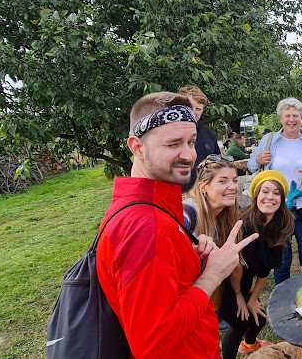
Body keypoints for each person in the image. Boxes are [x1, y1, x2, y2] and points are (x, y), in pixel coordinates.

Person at [96, 92, 258, 358]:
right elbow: (153, 344)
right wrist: (212, 275)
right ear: (137, 147)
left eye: (191, 142)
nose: (189, 155)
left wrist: (191, 260)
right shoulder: (145, 227)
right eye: (173, 144)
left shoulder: (155, 209)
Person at [248, 98, 302, 284]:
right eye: (287, 115)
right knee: (281, 261)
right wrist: (257, 160)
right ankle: (282, 304)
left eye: (296, 115)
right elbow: (251, 165)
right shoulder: (269, 140)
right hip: (279, 209)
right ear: (281, 118)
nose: (291, 119)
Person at [219, 171, 295, 359]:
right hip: (226, 284)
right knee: (239, 323)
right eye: (265, 192)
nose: (270, 197)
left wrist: (253, 299)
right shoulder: (246, 225)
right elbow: (236, 267)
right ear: (256, 195)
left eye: (276, 193)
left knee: (259, 318)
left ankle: (249, 345)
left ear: (282, 198)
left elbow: (266, 270)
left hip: (245, 284)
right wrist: (239, 296)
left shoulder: (280, 225)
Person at [182, 156, 240, 331]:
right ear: (203, 187)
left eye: (234, 180)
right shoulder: (187, 211)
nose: (232, 186)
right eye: (223, 181)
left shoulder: (220, 213)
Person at [178, 85, 222, 193]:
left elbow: (219, 163)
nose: (194, 112)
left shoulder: (208, 134)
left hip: (207, 194)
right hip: (180, 196)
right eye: (190, 107)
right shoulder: (169, 134)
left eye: (198, 109)